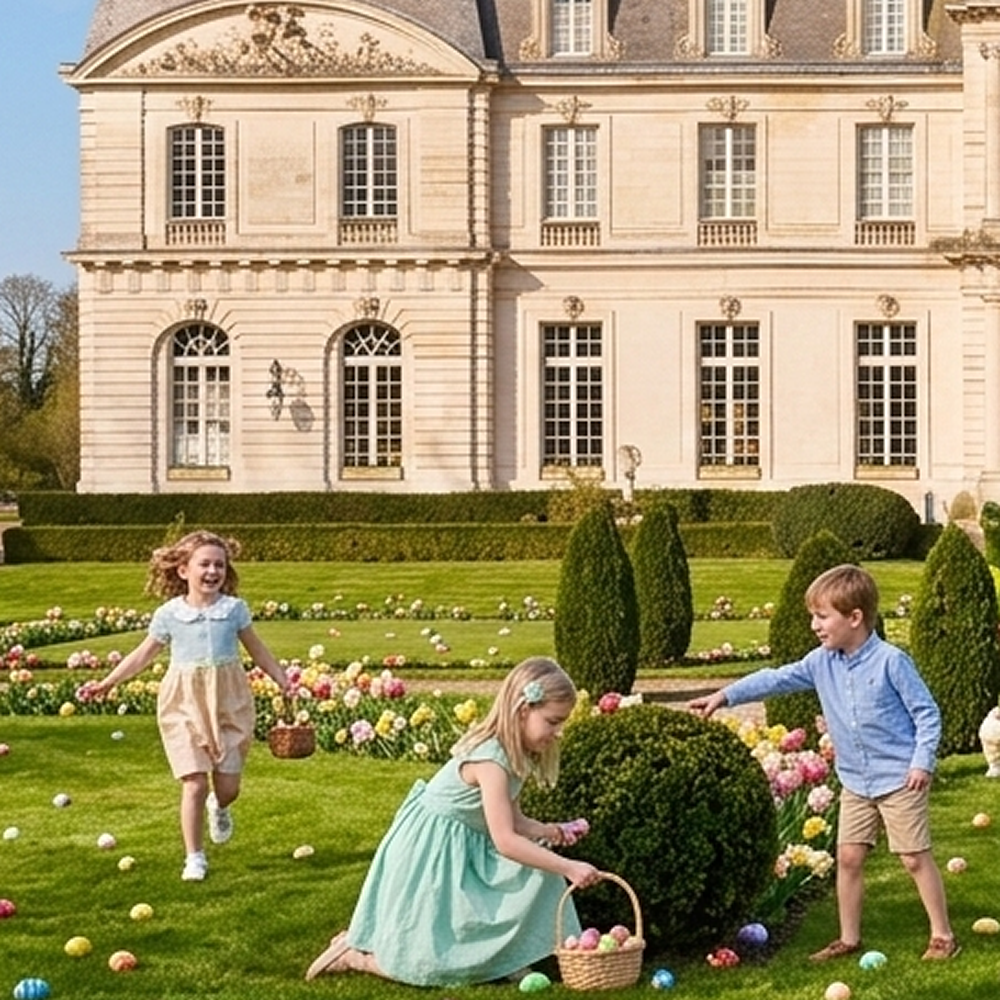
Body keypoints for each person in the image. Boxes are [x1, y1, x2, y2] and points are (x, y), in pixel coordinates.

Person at [690, 564, 959, 962]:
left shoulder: (891, 661)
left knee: (913, 857)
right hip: (855, 781)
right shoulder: (821, 662)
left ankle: (943, 936)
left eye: (822, 616)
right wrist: (725, 696)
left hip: (901, 778)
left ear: (855, 618)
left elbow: (927, 714)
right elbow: (776, 678)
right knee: (848, 858)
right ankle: (848, 939)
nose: (814, 625)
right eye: (813, 616)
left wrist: (922, 762)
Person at [304, 655, 600, 985]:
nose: (558, 732)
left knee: (539, 872)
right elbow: (505, 840)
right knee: (428, 964)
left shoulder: (515, 754)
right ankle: (355, 956)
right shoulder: (491, 760)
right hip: (433, 851)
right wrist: (568, 866)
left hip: (466, 844)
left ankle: (505, 955)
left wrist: (552, 831)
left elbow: (514, 821)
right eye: (553, 721)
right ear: (523, 710)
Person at [91, 530, 288, 882]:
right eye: (205, 564)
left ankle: (220, 806)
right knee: (194, 782)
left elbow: (257, 649)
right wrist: (108, 682)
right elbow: (143, 654)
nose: (213, 571)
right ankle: (194, 857)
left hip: (228, 701)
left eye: (219, 565)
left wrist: (282, 678)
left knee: (228, 788)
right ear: (183, 570)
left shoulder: (234, 610)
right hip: (183, 702)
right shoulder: (170, 614)